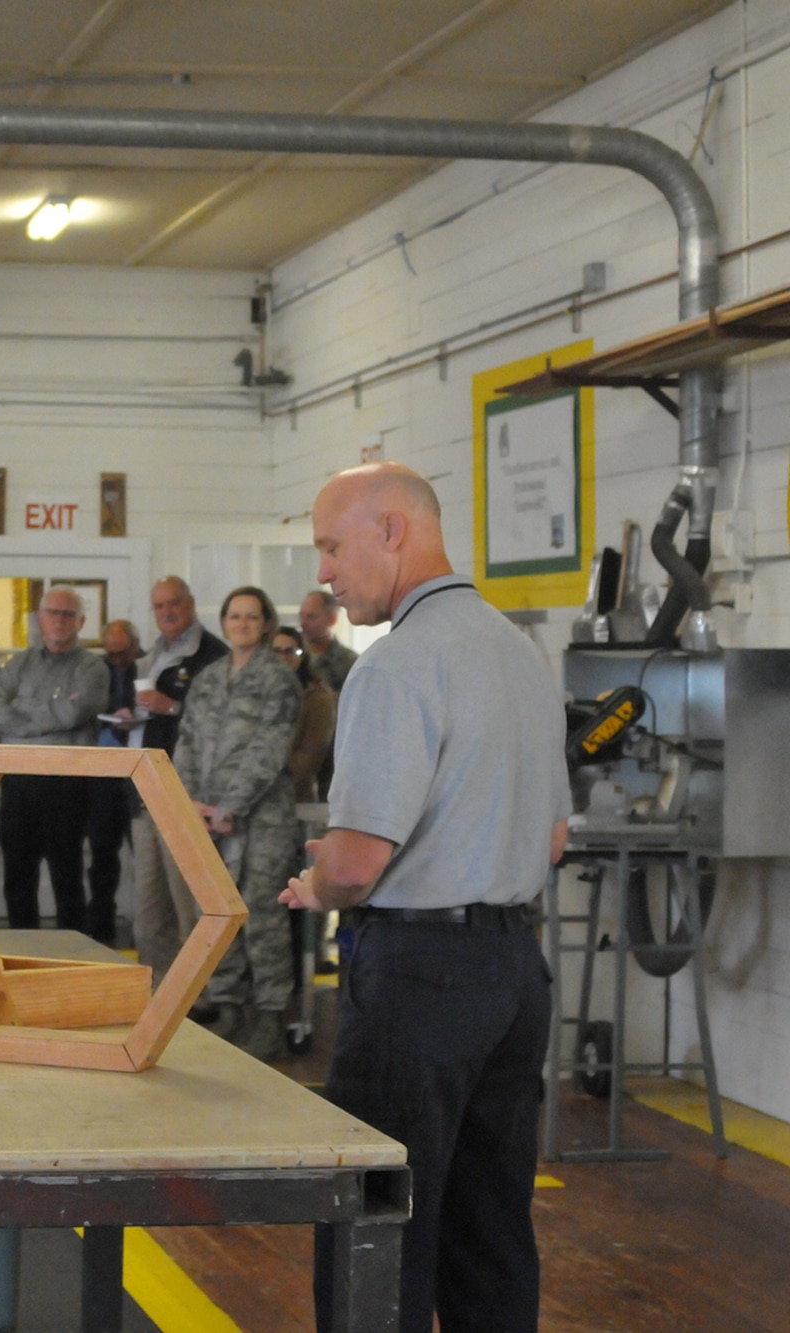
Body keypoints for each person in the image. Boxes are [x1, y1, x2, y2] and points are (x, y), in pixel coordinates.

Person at [281, 463, 566, 1333]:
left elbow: (360, 862)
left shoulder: (396, 665)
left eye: (333, 546)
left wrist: (316, 881)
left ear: (393, 530)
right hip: (514, 972)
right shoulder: (520, 653)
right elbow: (553, 838)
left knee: (378, 1228)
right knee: (490, 1231)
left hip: (420, 981)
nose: (325, 573)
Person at [172, 587, 302, 1060]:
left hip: (260, 821)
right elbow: (184, 741)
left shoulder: (279, 679)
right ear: (223, 622)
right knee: (219, 912)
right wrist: (188, 803)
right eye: (234, 615)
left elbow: (270, 750)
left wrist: (228, 808)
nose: (242, 623)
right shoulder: (207, 679)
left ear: (267, 623)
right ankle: (228, 1007)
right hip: (206, 819)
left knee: (262, 916)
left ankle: (269, 1014)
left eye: (252, 616)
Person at [0, 586, 107, 932]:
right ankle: (22, 958)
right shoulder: (19, 663)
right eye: (53, 612)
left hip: (66, 783)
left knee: (66, 876)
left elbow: (75, 714)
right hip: (18, 781)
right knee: (17, 878)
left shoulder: (92, 667)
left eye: (68, 614)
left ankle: (71, 963)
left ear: (81, 621)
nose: (59, 620)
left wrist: (20, 711)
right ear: (40, 616)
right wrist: (54, 709)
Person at [128, 576, 228, 980]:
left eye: (174, 604)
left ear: (191, 604)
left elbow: (221, 724)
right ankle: (155, 994)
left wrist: (171, 707)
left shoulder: (214, 656)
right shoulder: (153, 655)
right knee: (148, 908)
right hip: (145, 790)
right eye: (160, 607)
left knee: (189, 905)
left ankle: (198, 998)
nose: (167, 613)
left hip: (187, 795)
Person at [85, 618, 142, 947]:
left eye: (123, 653)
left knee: (145, 852)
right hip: (104, 770)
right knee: (102, 851)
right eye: (112, 653)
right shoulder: (98, 669)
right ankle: (101, 924)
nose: (118, 660)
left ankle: (143, 923)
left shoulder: (147, 665)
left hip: (140, 768)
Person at [271, 627, 336, 804]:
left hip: (295, 797)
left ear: (302, 655)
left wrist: (270, 780)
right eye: (277, 651)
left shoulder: (317, 697)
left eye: (291, 651)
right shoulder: (255, 692)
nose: (284, 657)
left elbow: (311, 755)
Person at [299, 588, 358, 694]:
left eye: (311, 616)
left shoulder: (349, 663)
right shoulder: (293, 656)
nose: (303, 623)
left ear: (332, 619)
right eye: (301, 615)